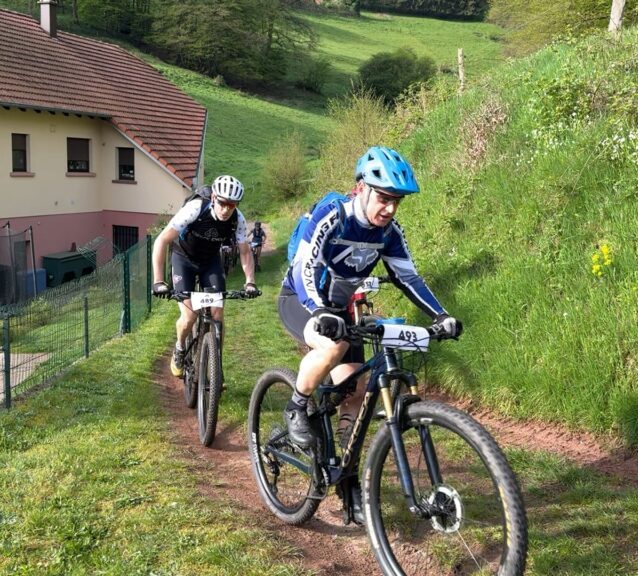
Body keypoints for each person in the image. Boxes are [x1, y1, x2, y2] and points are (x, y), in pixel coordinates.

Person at [277, 146, 462, 524]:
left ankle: (347, 484)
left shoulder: (390, 233)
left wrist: (441, 315)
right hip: (301, 299)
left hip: (342, 311)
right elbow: (304, 267)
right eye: (384, 198)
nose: (390, 208)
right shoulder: (333, 214)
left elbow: (408, 278)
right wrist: (320, 311)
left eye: (397, 201)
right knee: (332, 347)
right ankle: (296, 405)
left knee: (356, 394)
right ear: (361, 188)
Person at [152, 175, 260, 377]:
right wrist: (158, 281)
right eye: (222, 203)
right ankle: (180, 348)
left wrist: (250, 282)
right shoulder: (195, 209)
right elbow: (161, 241)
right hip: (183, 259)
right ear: (213, 198)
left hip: (210, 262)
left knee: (218, 314)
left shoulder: (238, 219)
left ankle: (215, 366)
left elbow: (245, 251)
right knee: (190, 315)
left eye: (232, 204)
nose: (227, 209)